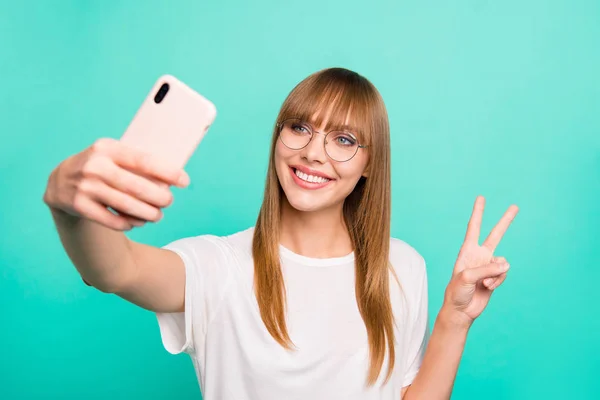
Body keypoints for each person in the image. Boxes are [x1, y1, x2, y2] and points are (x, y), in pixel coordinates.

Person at [43, 67, 519, 400]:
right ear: (278, 138)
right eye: (299, 128)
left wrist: (455, 320)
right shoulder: (221, 265)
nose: (314, 152)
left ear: (370, 164)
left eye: (344, 140)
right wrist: (69, 209)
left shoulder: (402, 267)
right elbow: (116, 269)